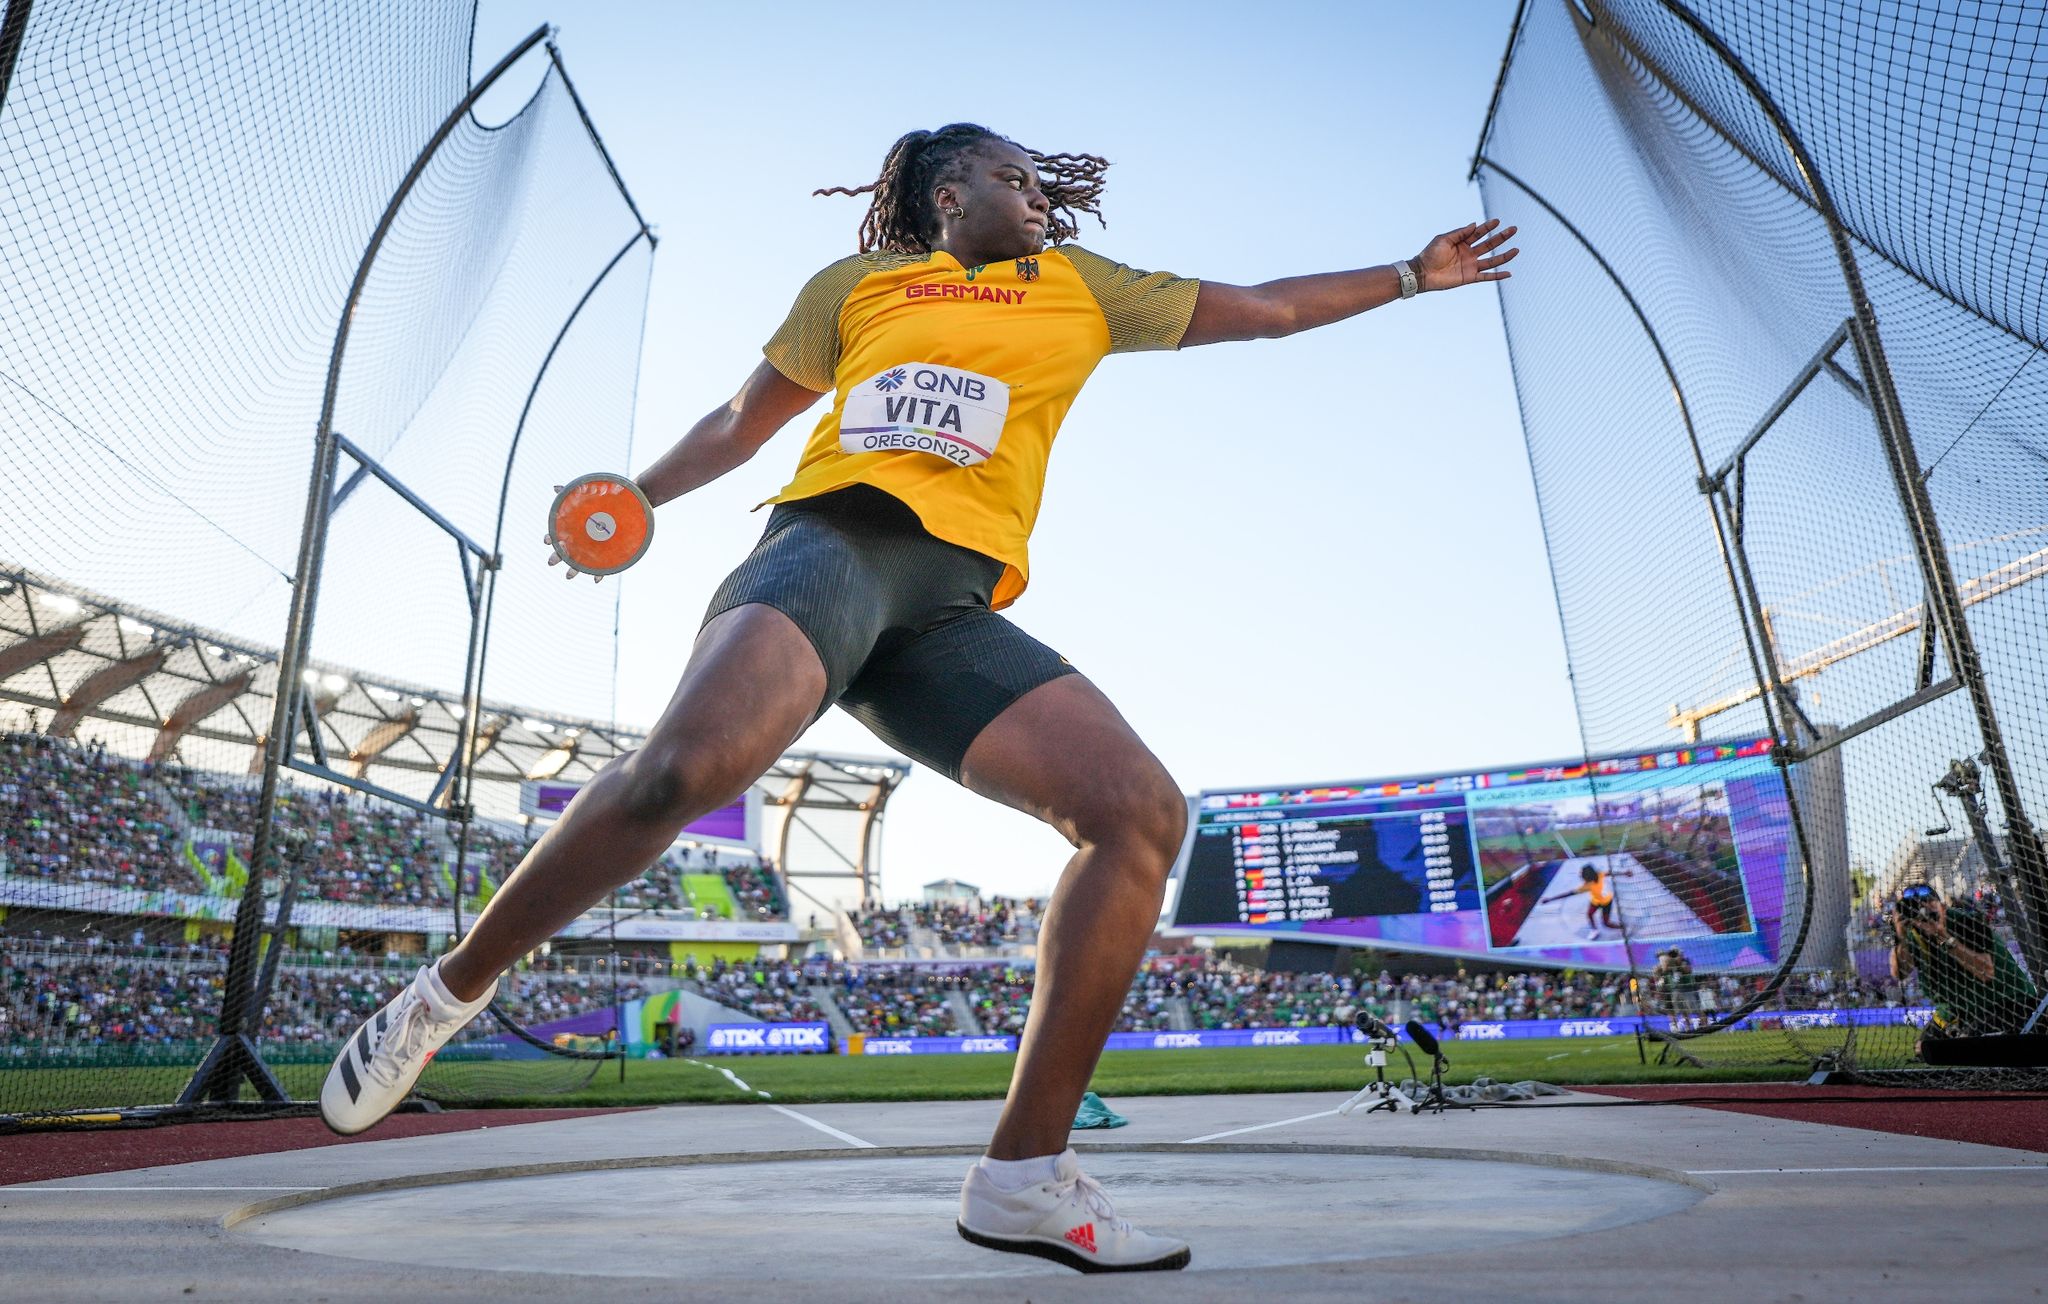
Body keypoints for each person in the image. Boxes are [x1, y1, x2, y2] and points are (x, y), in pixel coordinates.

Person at [318, 121, 1517, 1272]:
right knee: (682, 773)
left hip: (948, 610)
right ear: (950, 193)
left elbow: (1262, 310)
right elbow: (742, 424)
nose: (1037, 193)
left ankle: (1022, 1178)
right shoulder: (854, 289)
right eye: (1013, 175)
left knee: (1140, 815)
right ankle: (441, 996)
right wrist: (633, 497)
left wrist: (1409, 275)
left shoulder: (1081, 284)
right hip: (832, 548)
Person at [1889, 883, 2039, 1053]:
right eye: (1916, 907)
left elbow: (1986, 973)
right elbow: (1899, 973)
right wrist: (1900, 937)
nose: (1923, 911)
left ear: (1942, 907)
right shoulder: (1914, 934)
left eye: (1928, 903)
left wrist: (1943, 936)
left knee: (1967, 1049)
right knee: (1923, 1050)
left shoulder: (1967, 920)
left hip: (2006, 1003)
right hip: (1960, 1009)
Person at [1541, 861, 1632, 940]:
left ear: (1588, 876)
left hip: (1606, 902)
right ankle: (1594, 930)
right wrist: (1624, 873)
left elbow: (1569, 893)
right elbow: (1610, 873)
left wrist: (1550, 899)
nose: (1580, 876)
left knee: (1606, 924)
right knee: (1589, 914)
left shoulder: (1588, 885)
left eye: (1582, 875)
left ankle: (1623, 927)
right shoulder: (1599, 875)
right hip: (1596, 901)